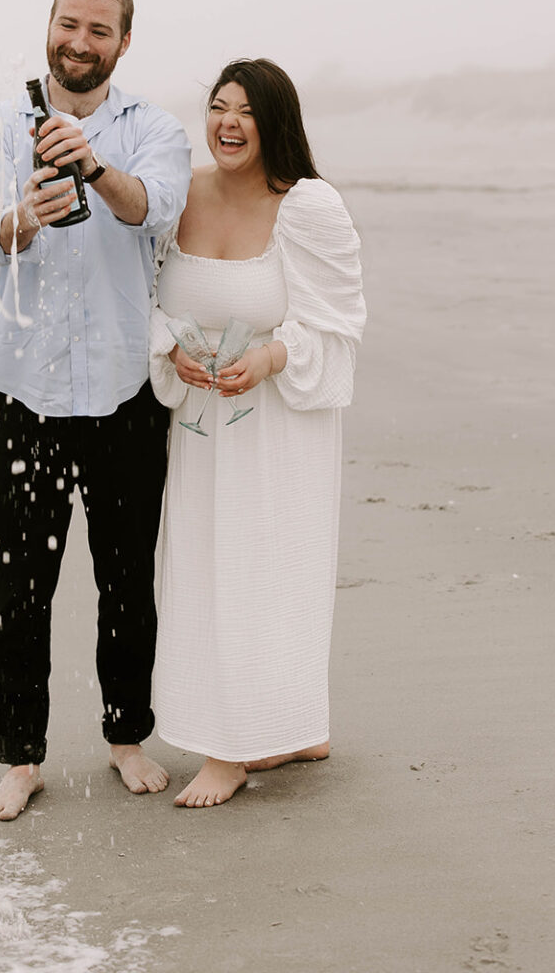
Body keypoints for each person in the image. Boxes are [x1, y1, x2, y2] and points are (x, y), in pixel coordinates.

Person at [0, 0, 191, 821]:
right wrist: (25, 212)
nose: (79, 42)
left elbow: (154, 208)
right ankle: (20, 759)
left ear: (123, 42)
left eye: (98, 30)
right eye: (68, 24)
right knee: (19, 590)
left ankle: (127, 737)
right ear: (49, 28)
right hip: (23, 393)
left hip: (127, 393)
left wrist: (92, 166)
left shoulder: (155, 129)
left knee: (127, 579)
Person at [149, 57, 366, 807]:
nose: (228, 123)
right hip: (201, 418)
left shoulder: (307, 206)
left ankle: (236, 749)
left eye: (245, 110)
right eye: (218, 106)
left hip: (279, 423)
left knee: (269, 568)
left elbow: (339, 324)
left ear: (276, 123)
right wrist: (168, 346)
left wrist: (272, 357)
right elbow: (144, 295)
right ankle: (288, 728)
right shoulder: (180, 192)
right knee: (205, 564)